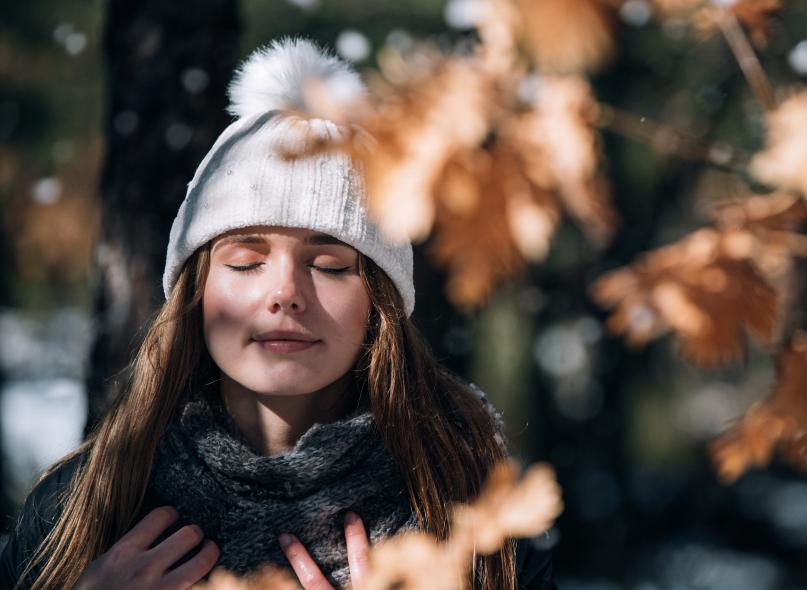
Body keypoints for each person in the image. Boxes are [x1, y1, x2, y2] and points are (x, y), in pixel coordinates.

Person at [0, 37, 556, 590]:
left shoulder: (472, 515)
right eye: (245, 261)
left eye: (331, 265)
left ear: (379, 305)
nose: (285, 293)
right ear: (195, 294)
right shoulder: (82, 506)